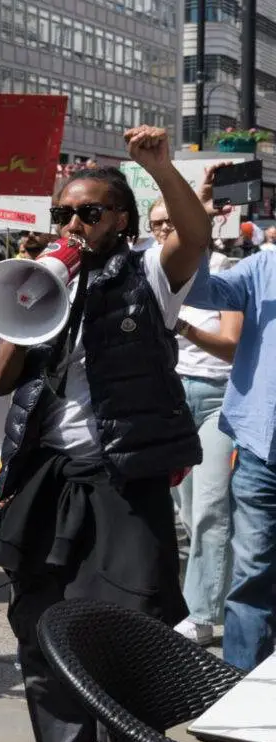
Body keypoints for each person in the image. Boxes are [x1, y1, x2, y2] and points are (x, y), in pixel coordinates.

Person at [0, 127, 208, 742]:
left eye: (90, 213)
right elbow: (0, 379)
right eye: (63, 214)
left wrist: (160, 169)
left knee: (132, 631)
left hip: (123, 477)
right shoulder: (45, 281)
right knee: (44, 626)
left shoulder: (146, 275)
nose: (74, 224)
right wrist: (29, 301)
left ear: (124, 222)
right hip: (51, 480)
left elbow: (193, 235)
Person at [184, 170, 276, 673]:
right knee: (253, 569)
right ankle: (241, 687)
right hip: (264, 449)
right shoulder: (264, 267)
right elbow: (196, 289)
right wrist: (197, 211)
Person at [149, 199, 242, 647]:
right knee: (185, 513)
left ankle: (203, 613)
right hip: (170, 395)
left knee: (209, 509)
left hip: (220, 398)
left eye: (171, 220)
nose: (165, 229)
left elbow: (231, 347)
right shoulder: (152, 273)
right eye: (156, 224)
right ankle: (206, 593)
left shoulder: (227, 270)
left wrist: (182, 327)